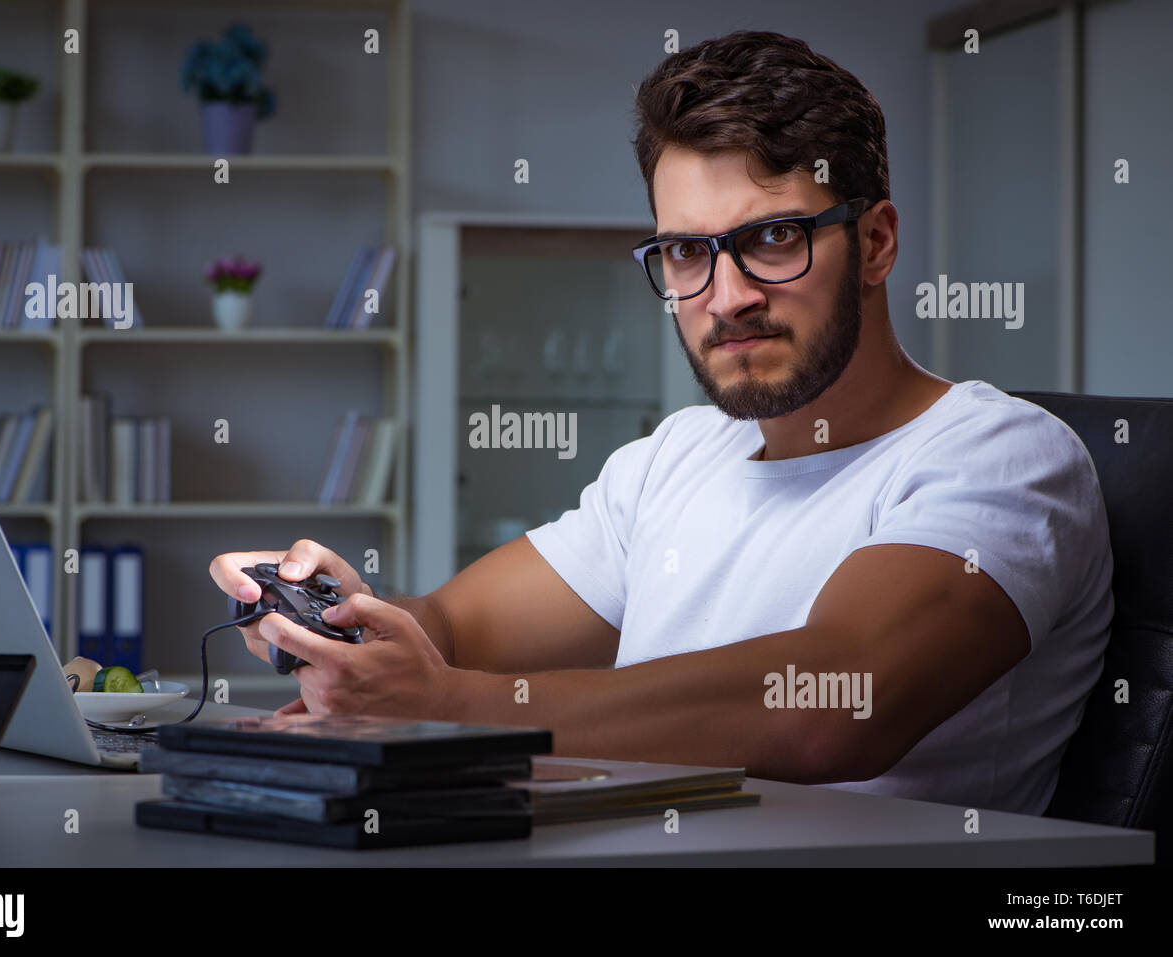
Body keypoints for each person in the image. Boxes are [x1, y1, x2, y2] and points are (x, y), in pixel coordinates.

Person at [210, 30, 1112, 816]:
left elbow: (839, 698)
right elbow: (453, 624)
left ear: (875, 241)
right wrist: (339, 626)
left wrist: (456, 703)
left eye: (772, 239)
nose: (728, 297)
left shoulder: (1002, 454)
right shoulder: (677, 456)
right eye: (687, 251)